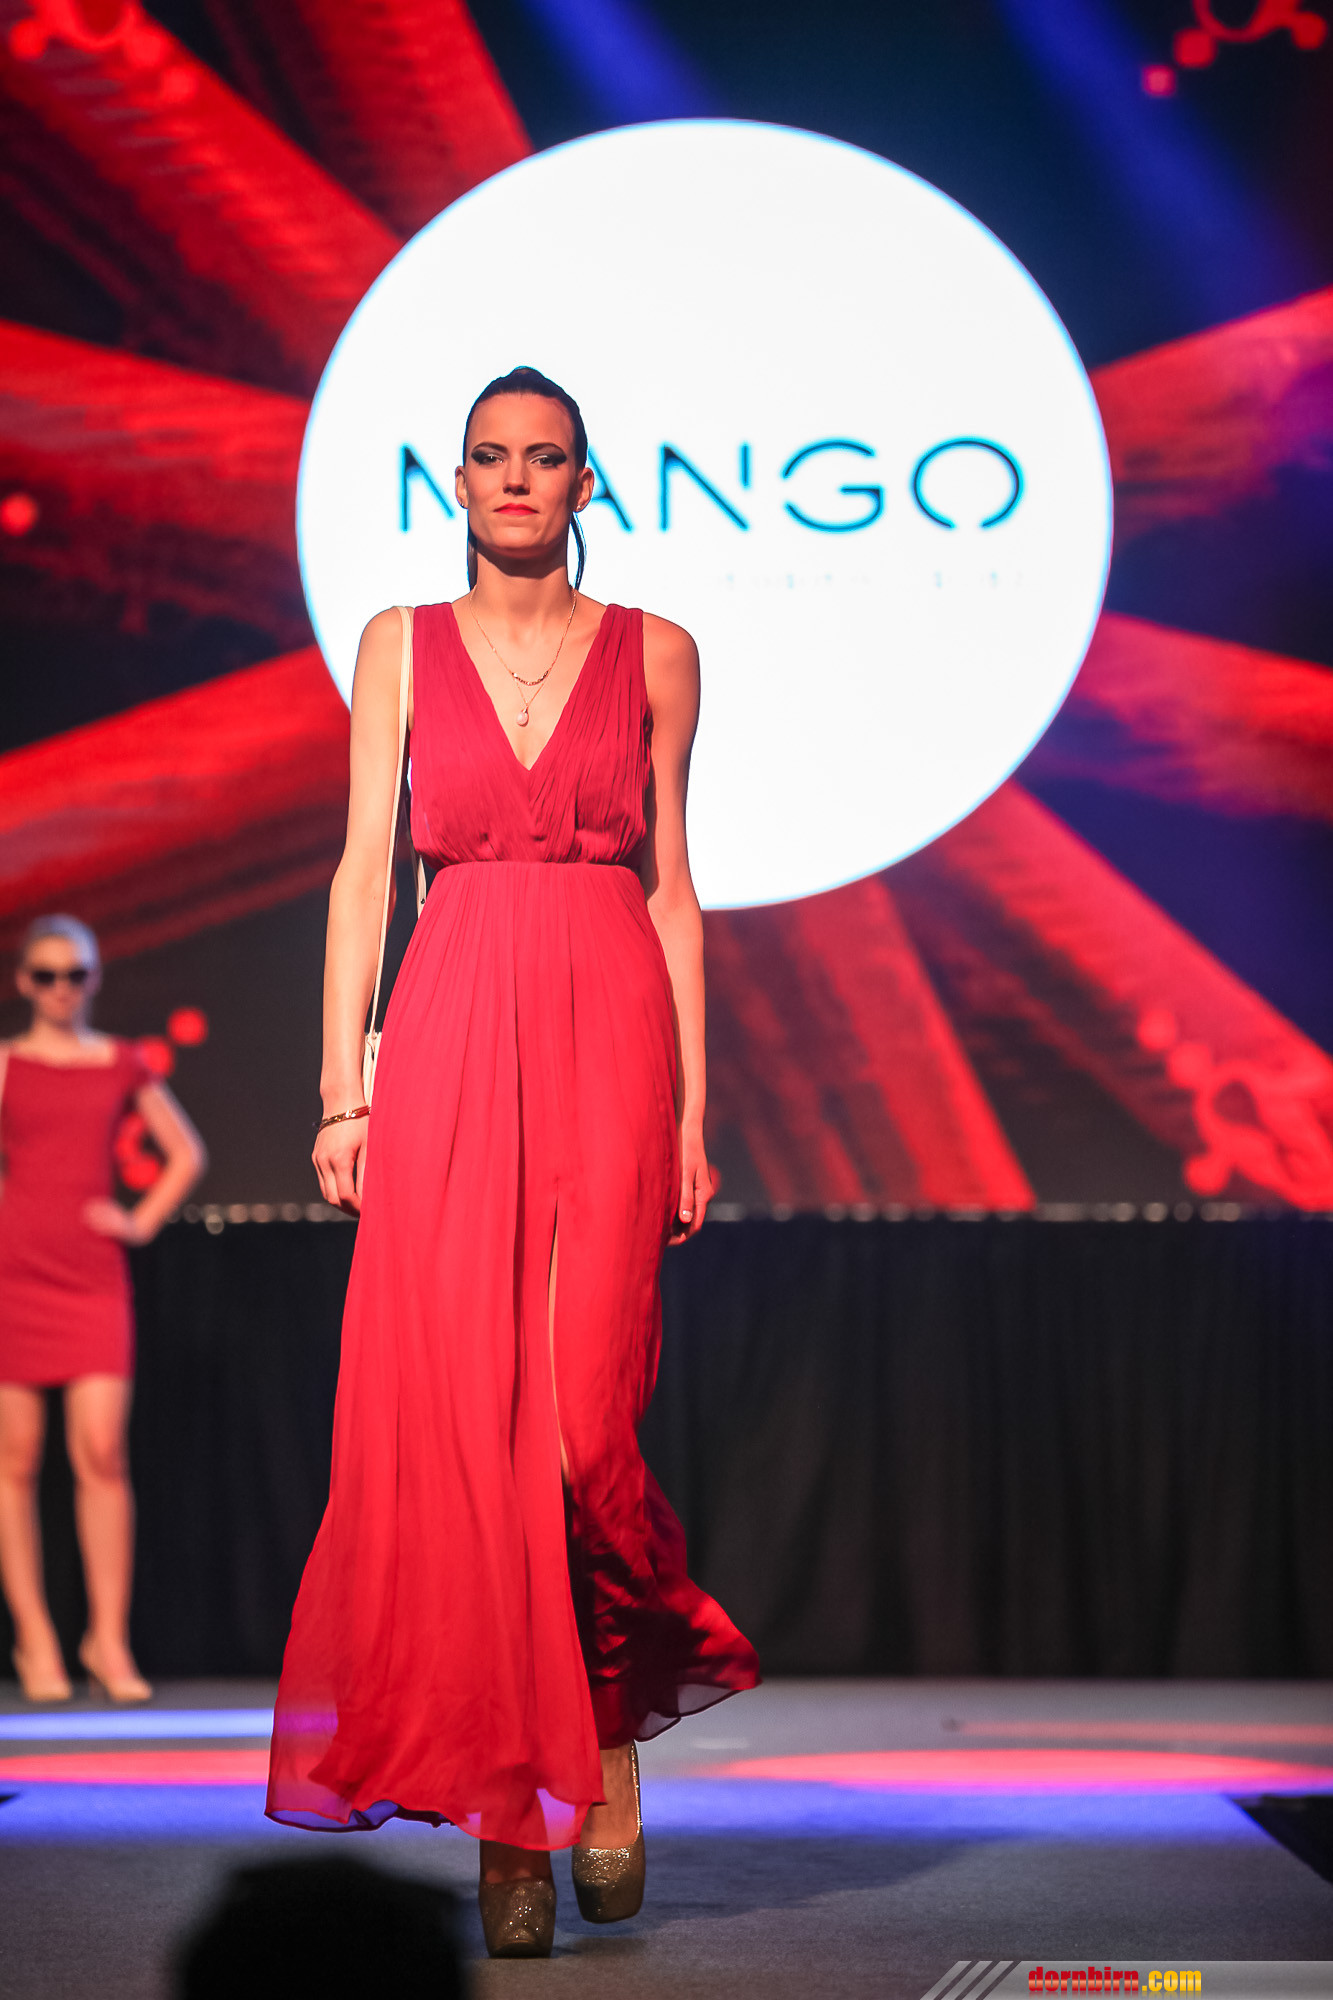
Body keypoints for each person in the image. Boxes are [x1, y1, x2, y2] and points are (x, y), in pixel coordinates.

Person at [267, 366, 759, 1956]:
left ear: (585, 482)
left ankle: (602, 1741)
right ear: (458, 480)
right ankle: (507, 1814)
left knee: (580, 1427)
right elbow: (362, 872)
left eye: (545, 458)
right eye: (491, 457)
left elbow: (673, 889)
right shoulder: (397, 645)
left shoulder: (659, 650)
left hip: (611, 1029)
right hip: (451, 1029)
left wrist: (690, 1112)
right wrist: (342, 1091)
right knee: (466, 1439)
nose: (517, 479)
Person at [0, 915, 206, 1703]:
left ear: (93, 979)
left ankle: (107, 1640)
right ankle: (35, 1640)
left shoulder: (120, 1062)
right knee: (16, 1458)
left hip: (90, 1276)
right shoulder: (7, 1065)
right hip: (15, 1275)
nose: (63, 989)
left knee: (101, 1452)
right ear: (25, 982)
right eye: (48, 975)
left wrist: (139, 1220)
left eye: (76, 974)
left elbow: (185, 1152)